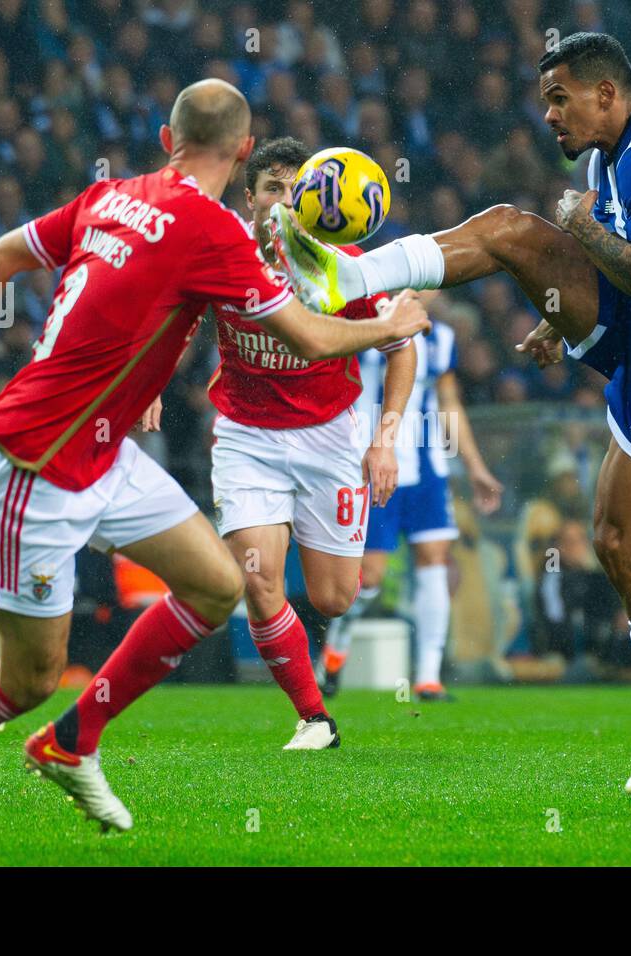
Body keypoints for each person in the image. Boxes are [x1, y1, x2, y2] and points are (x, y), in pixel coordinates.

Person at [0, 79, 429, 849]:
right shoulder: (213, 233)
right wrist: (394, 322)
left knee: (217, 585)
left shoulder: (110, 195)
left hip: (104, 450)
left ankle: (73, 740)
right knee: (27, 680)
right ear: (245, 151)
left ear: (163, 137)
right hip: (35, 460)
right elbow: (312, 338)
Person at [273, 33, 631, 793]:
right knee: (507, 228)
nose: (548, 116)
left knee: (617, 535)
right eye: (545, 102)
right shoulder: (613, 154)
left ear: (607, 94)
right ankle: (346, 277)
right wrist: (554, 311)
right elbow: (616, 263)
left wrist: (581, 227)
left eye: (559, 98)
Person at [209, 136, 417, 749]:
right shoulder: (222, 256)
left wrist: (384, 441)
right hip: (246, 436)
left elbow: (401, 348)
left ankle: (319, 682)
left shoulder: (343, 264)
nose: (283, 201)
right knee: (260, 578)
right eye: (271, 188)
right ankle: (314, 716)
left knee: (333, 595)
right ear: (249, 198)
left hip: (328, 437)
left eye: (294, 190)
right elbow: (177, 314)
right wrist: (150, 387)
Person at [316, 316, 503, 700]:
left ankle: (428, 677)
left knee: (434, 558)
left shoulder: (443, 336)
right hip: (370, 465)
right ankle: (336, 647)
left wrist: (475, 467)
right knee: (369, 577)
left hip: (427, 468)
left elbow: (449, 403)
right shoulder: (364, 322)